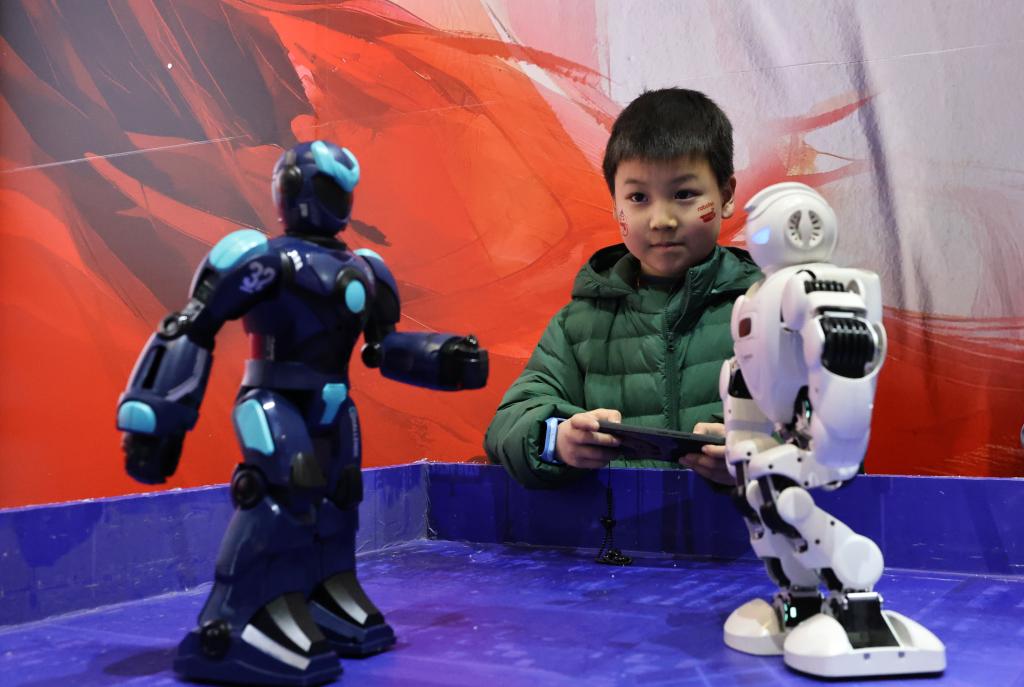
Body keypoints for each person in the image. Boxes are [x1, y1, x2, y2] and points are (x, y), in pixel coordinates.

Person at [484, 88, 760, 489]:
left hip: (741, 529)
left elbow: (826, 430)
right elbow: (507, 426)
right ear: (616, 206)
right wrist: (558, 439)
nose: (661, 219)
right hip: (614, 529)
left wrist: (760, 454)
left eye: (684, 194)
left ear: (727, 195)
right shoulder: (579, 325)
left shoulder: (774, 311)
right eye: (638, 197)